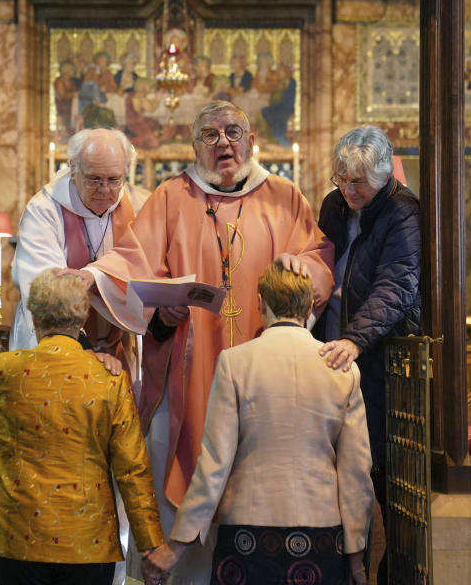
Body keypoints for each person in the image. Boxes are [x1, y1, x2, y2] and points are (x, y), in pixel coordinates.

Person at [66, 100, 334, 583]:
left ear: (252, 141)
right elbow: (131, 262)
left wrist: (307, 270)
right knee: (180, 461)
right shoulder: (170, 198)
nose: (223, 143)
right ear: (194, 146)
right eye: (209, 135)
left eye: (233, 132)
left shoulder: (284, 197)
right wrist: (149, 306)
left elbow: (317, 256)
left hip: (265, 375)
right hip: (188, 374)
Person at [142, 263, 375, 585]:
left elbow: (214, 464)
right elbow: (356, 473)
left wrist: (175, 548)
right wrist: (357, 560)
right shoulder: (342, 369)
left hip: (246, 535)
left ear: (261, 303)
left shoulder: (235, 363)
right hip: (321, 534)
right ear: (309, 306)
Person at [0, 269, 166, 585]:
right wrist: (151, 543)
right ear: (82, 319)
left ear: (35, 319)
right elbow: (132, 469)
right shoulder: (109, 379)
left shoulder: (5, 370)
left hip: (18, 534)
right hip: (88, 540)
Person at [313, 125, 421, 585]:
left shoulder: (402, 211)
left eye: (358, 182)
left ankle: (392, 570)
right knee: (330, 466)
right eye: (341, 178)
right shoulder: (334, 204)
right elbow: (318, 258)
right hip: (330, 350)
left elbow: (395, 284)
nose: (349, 190)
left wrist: (356, 339)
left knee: (380, 470)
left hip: (377, 358)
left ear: (383, 175)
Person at [11, 128, 150, 365]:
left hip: (118, 343)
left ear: (126, 171)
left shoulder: (139, 206)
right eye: (95, 179)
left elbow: (143, 267)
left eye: (114, 180)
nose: (105, 190)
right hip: (56, 349)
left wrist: (94, 275)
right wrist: (81, 351)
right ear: (73, 168)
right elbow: (47, 287)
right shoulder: (44, 210)